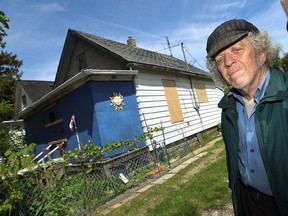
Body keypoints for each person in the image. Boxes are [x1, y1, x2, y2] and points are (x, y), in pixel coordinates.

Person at [206, 19, 288, 216]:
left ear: (261, 53)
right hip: (247, 201)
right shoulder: (228, 107)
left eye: (237, 50)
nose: (228, 62)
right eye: (219, 59)